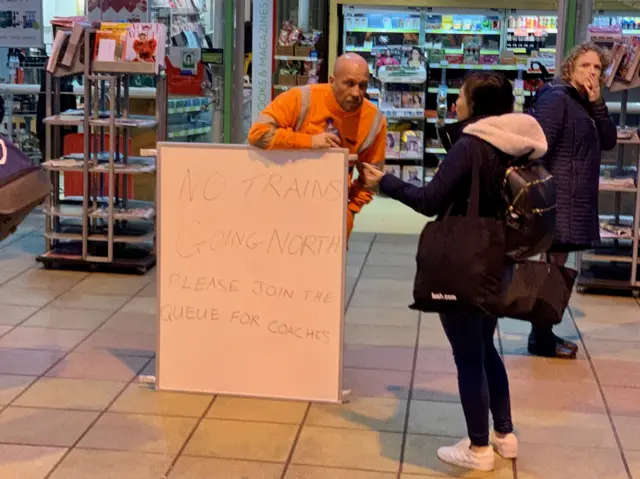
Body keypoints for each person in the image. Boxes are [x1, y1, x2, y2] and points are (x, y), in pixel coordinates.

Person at [359, 72, 548, 471]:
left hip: (466, 258)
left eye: (461, 97)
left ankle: (478, 449)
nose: (455, 102)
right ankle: (505, 434)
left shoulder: (473, 145)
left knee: (467, 356)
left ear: (475, 105)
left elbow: (430, 200)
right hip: (500, 254)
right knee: (485, 347)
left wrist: (386, 182)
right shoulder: (518, 142)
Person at [528, 43, 617, 359]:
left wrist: (598, 104)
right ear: (570, 68)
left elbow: (609, 140)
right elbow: (540, 146)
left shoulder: (585, 102)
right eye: (585, 66)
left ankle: (543, 332)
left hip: (573, 198)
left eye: (597, 68)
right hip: (557, 198)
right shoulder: (556, 99)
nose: (591, 73)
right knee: (552, 266)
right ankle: (541, 336)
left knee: (556, 264)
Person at [248, 53, 387, 242]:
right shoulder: (299, 99)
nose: (356, 93)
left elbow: (372, 177)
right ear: (332, 81)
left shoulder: (374, 121)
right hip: (281, 207)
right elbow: (258, 134)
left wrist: (350, 211)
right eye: (349, 83)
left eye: (362, 85)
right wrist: (310, 142)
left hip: (331, 216)